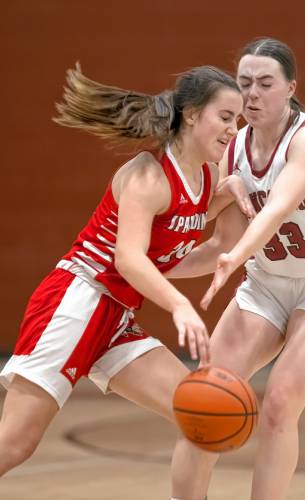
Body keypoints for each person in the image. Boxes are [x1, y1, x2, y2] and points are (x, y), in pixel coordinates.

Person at [0, 63, 253, 479]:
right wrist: (179, 307)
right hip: (75, 302)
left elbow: (197, 249)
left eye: (237, 120)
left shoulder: (207, 176)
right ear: (192, 114)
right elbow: (130, 260)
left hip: (114, 317)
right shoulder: (148, 175)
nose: (233, 129)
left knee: (203, 413)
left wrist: (232, 195)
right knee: (15, 443)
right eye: (225, 117)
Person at [168, 38, 305, 500]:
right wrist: (152, 269)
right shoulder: (232, 149)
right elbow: (220, 243)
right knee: (203, 403)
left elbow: (276, 208)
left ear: (290, 87)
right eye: (243, 85)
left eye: (264, 83)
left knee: (280, 402)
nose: (252, 95)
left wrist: (234, 259)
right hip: (265, 285)